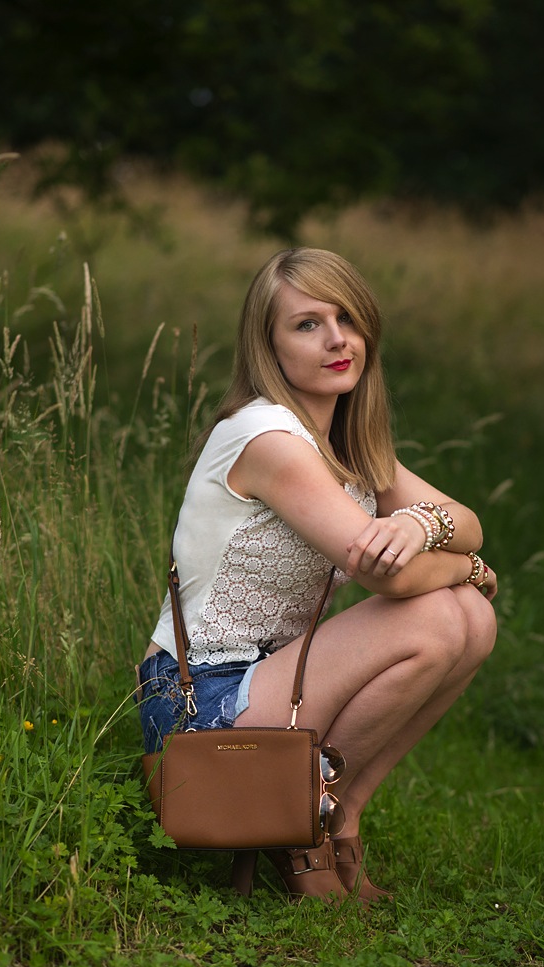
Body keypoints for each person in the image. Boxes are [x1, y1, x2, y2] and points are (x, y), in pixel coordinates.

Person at [136, 247, 497, 904]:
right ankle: (300, 832)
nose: (337, 340)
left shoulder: (346, 447)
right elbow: (382, 575)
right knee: (445, 610)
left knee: (473, 619)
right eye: (306, 324)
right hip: (200, 705)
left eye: (347, 319)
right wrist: (466, 566)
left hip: (280, 682)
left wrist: (422, 528)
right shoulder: (267, 437)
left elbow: (462, 516)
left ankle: (335, 820)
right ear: (267, 346)